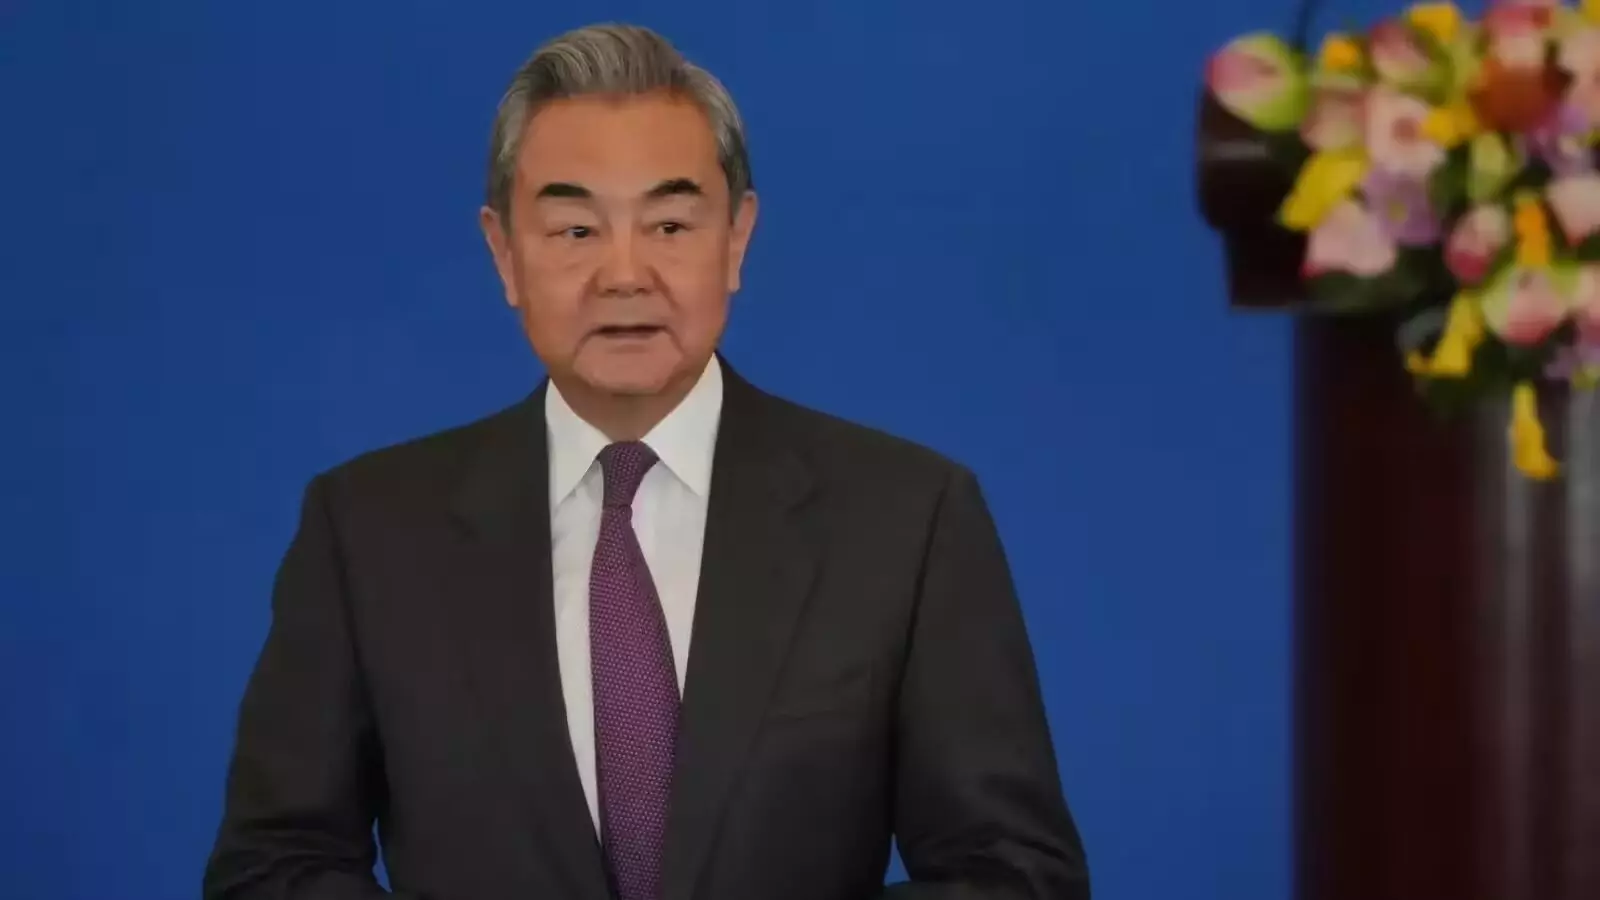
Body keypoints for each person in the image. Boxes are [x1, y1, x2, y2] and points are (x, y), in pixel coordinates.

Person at [202, 22, 1089, 900]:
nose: (625, 275)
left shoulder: (907, 521)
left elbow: (1016, 875)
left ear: (736, 239)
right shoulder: (368, 534)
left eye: (669, 223)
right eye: (575, 230)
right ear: (504, 253)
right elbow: (272, 866)